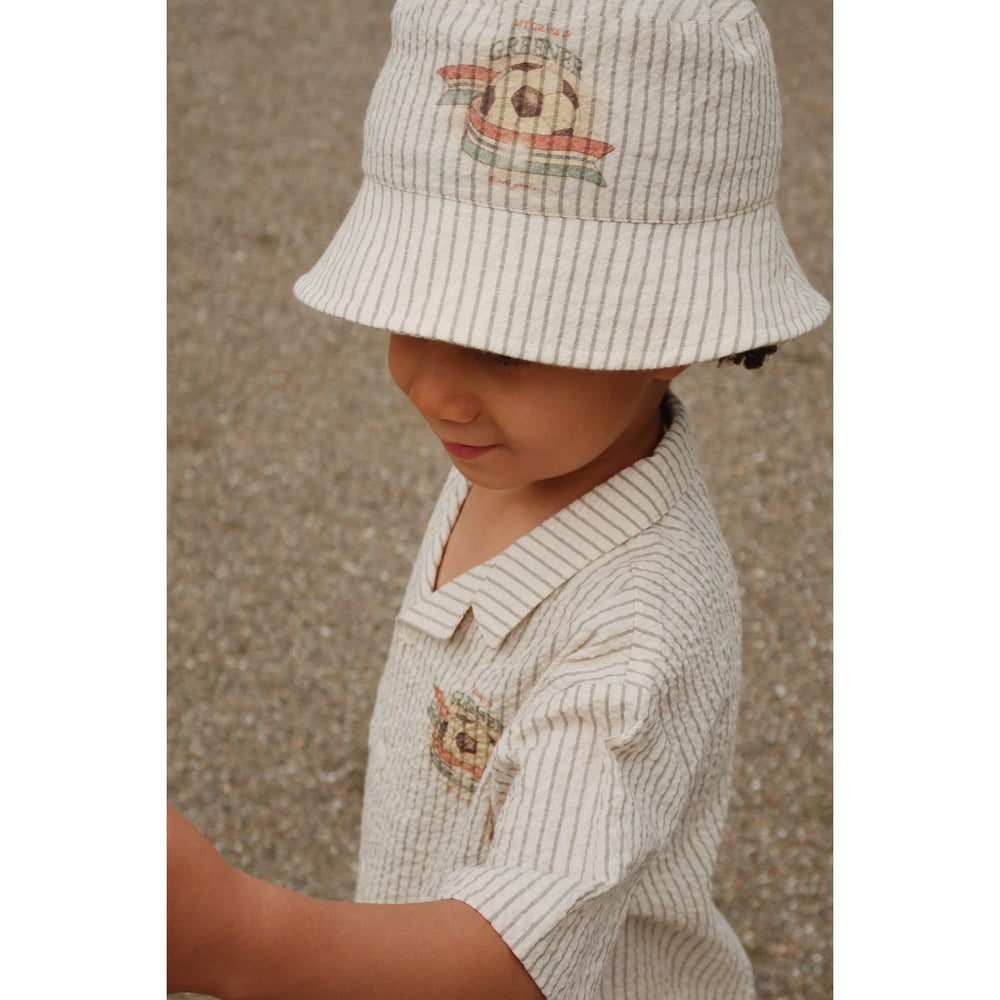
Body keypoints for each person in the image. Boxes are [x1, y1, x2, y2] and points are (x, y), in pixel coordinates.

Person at [167, 1, 829, 997]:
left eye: (503, 343)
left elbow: (512, 959)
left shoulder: (636, 631)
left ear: (674, 329)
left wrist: (233, 933)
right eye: (414, 308)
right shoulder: (521, 450)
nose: (432, 387)